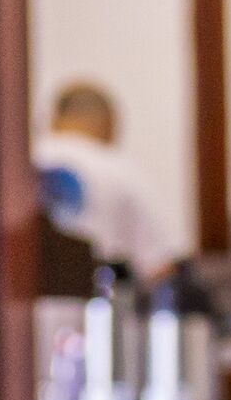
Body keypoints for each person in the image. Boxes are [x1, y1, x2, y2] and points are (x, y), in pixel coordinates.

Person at [35, 81, 177, 279]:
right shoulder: (121, 171)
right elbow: (160, 267)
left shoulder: (20, 162)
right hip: (95, 303)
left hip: (14, 307)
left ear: (54, 117)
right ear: (110, 122)